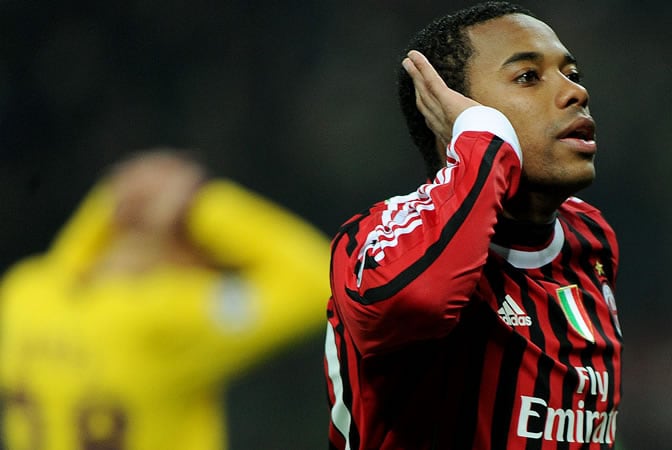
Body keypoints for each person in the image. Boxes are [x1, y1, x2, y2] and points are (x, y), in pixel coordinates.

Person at [324, 2, 623, 449]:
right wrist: (483, 139)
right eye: (528, 77)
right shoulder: (377, 236)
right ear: (453, 113)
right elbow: (419, 302)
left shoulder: (590, 236)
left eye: (572, 74)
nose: (574, 93)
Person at [0, 150, 331, 449]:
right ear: (185, 244)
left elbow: (66, 264)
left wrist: (112, 198)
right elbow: (323, 280)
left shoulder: (23, 295)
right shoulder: (168, 318)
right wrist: (203, 206)